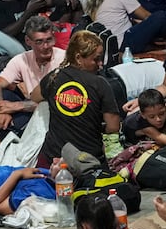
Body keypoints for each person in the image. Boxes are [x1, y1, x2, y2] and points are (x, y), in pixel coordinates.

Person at [35, 29, 123, 166]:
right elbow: (113, 127)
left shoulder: (54, 77)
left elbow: (34, 96)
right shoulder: (100, 84)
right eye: (96, 59)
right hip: (88, 160)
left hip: (53, 158)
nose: (100, 64)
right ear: (78, 58)